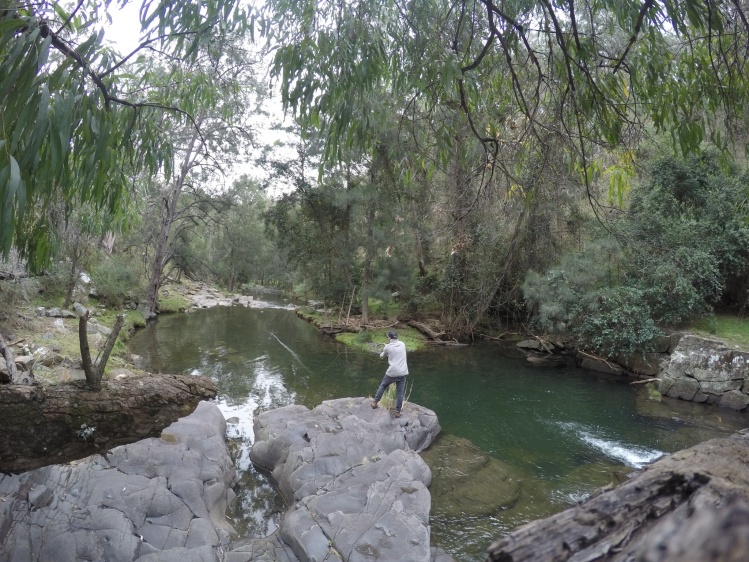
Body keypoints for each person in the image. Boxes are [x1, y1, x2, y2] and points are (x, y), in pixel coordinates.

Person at [371, 330, 409, 417]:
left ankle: (375, 403)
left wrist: (385, 348)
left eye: (388, 336)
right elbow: (397, 352)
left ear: (389, 338)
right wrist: (387, 347)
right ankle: (398, 412)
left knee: (383, 386)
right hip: (402, 373)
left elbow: (382, 356)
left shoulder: (388, 347)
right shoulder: (402, 344)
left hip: (392, 373)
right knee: (400, 393)